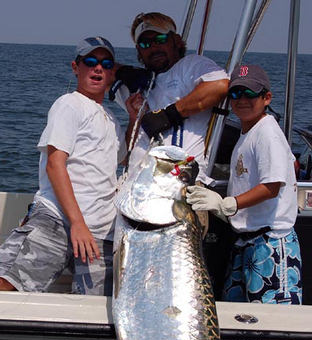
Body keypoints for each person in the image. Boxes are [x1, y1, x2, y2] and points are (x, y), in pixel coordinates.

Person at [0, 36, 127, 296]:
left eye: (105, 63)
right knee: (7, 287)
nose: (98, 68)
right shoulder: (69, 104)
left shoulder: (113, 120)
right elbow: (55, 164)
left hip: (100, 232)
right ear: (75, 67)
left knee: (96, 315)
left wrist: (135, 116)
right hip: (58, 219)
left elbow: (124, 159)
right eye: (90, 61)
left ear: (113, 72)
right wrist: (77, 223)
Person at [112, 12, 229, 253]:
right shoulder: (142, 84)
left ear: (176, 41)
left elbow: (219, 85)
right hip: (137, 195)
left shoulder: (191, 66)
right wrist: (125, 72)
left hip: (178, 195)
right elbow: (102, 69)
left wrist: (169, 115)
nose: (153, 47)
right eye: (145, 44)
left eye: (160, 40)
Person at [186, 64, 302, 304]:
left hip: (271, 244)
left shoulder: (267, 132)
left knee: (274, 323)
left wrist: (229, 204)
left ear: (267, 97)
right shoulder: (246, 133)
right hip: (245, 243)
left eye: (250, 94)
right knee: (238, 318)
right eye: (236, 94)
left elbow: (272, 186)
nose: (242, 100)